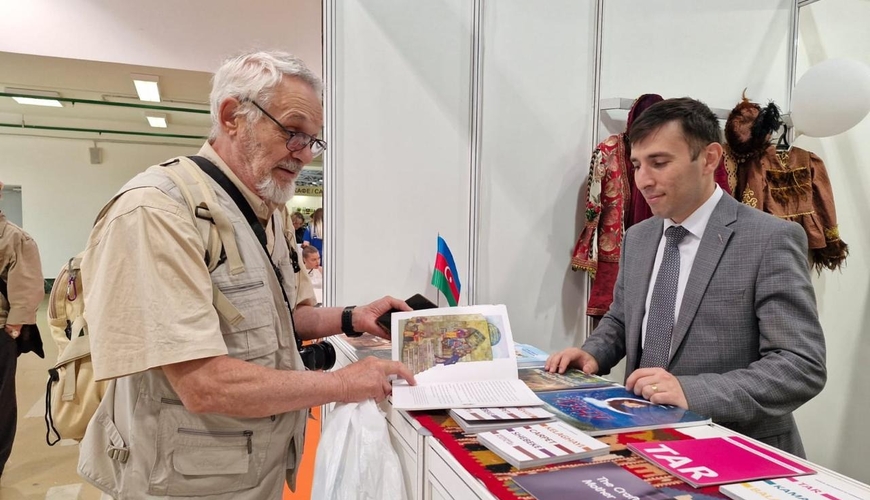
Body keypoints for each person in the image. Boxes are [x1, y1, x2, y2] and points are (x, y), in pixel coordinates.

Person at [77, 51, 415, 499]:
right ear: (232, 116)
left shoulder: (269, 210)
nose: (304, 154)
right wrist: (340, 384)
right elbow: (202, 384)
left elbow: (284, 319)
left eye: (313, 141)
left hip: (256, 470)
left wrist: (353, 317)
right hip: (180, 484)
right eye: (292, 132)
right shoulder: (158, 211)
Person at [546, 98, 826, 457]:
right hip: (647, 441)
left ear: (709, 159)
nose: (643, 180)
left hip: (735, 451)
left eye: (659, 163)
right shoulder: (640, 237)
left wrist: (692, 392)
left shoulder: (769, 239)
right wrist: (591, 354)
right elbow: (623, 318)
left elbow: (800, 366)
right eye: (637, 164)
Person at [0, 181, 44, 477]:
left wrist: (13, 326)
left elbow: (27, 287)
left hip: (0, 331)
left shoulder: (15, 237)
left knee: (1, 401)